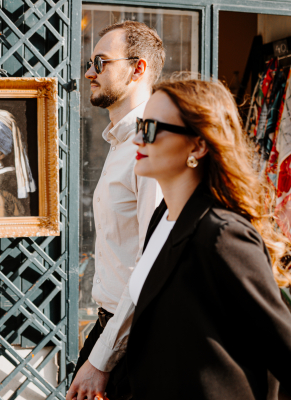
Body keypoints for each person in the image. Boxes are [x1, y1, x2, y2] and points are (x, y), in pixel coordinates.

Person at [127, 76, 291, 399]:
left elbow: (282, 347)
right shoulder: (163, 217)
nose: (137, 139)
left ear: (198, 146)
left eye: (150, 128)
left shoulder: (222, 234)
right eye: (139, 126)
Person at [66, 21, 165, 400]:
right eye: (89, 63)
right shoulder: (121, 139)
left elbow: (151, 262)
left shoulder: (152, 143)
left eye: (100, 62)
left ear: (138, 68)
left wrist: (102, 360)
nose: (89, 73)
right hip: (112, 328)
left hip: (134, 339)